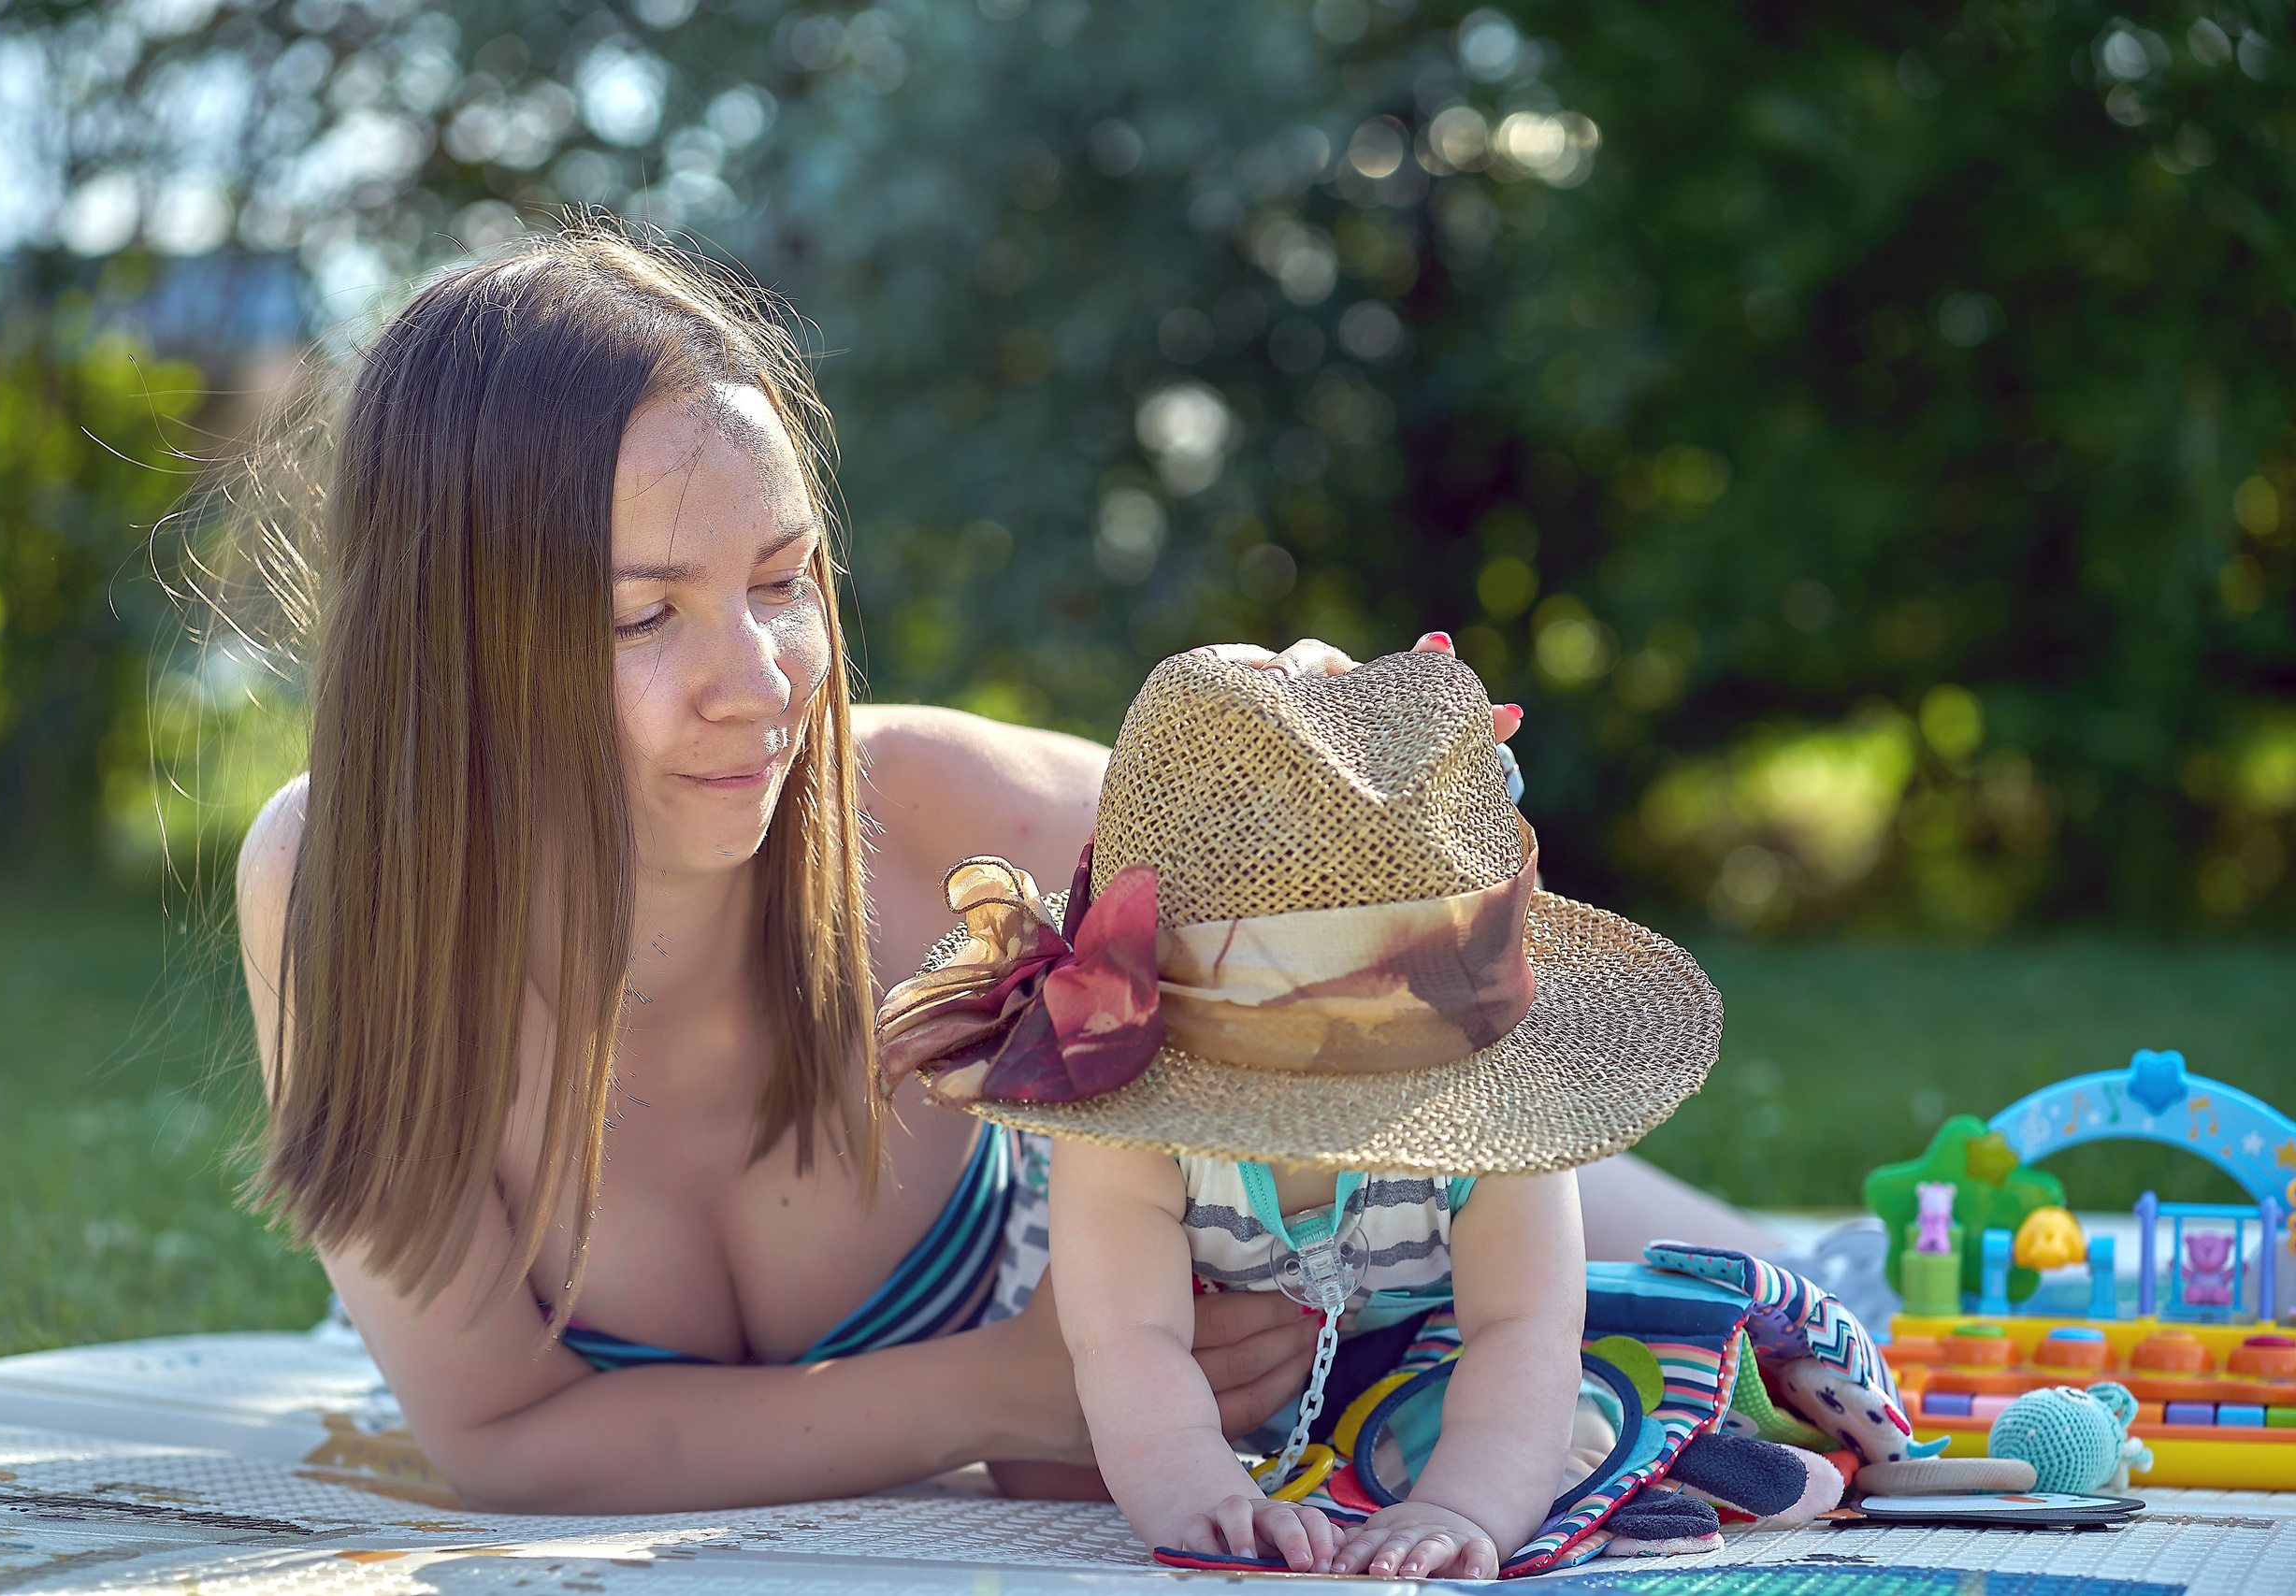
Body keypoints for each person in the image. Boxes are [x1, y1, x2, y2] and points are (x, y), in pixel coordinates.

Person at [228, 224, 1771, 1516]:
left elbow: (1388, 963)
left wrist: (1775, 1276)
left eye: (783, 583)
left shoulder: (945, 814)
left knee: (1719, 1264)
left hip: (1426, 1329)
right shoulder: (342, 887)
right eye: (645, 616)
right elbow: (502, 1436)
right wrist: (1005, 1388)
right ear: (457, 648)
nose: (762, 683)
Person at [873, 649, 1721, 1576]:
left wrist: (1459, 1510)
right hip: (1173, 1370)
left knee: (1575, 1414)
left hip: (1406, 1348)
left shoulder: (1482, 1111)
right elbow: (1130, 1341)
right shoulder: (1131, 1122)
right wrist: (1206, 1503)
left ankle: (1701, 1447)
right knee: (1052, 1467)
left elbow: (1524, 1326)